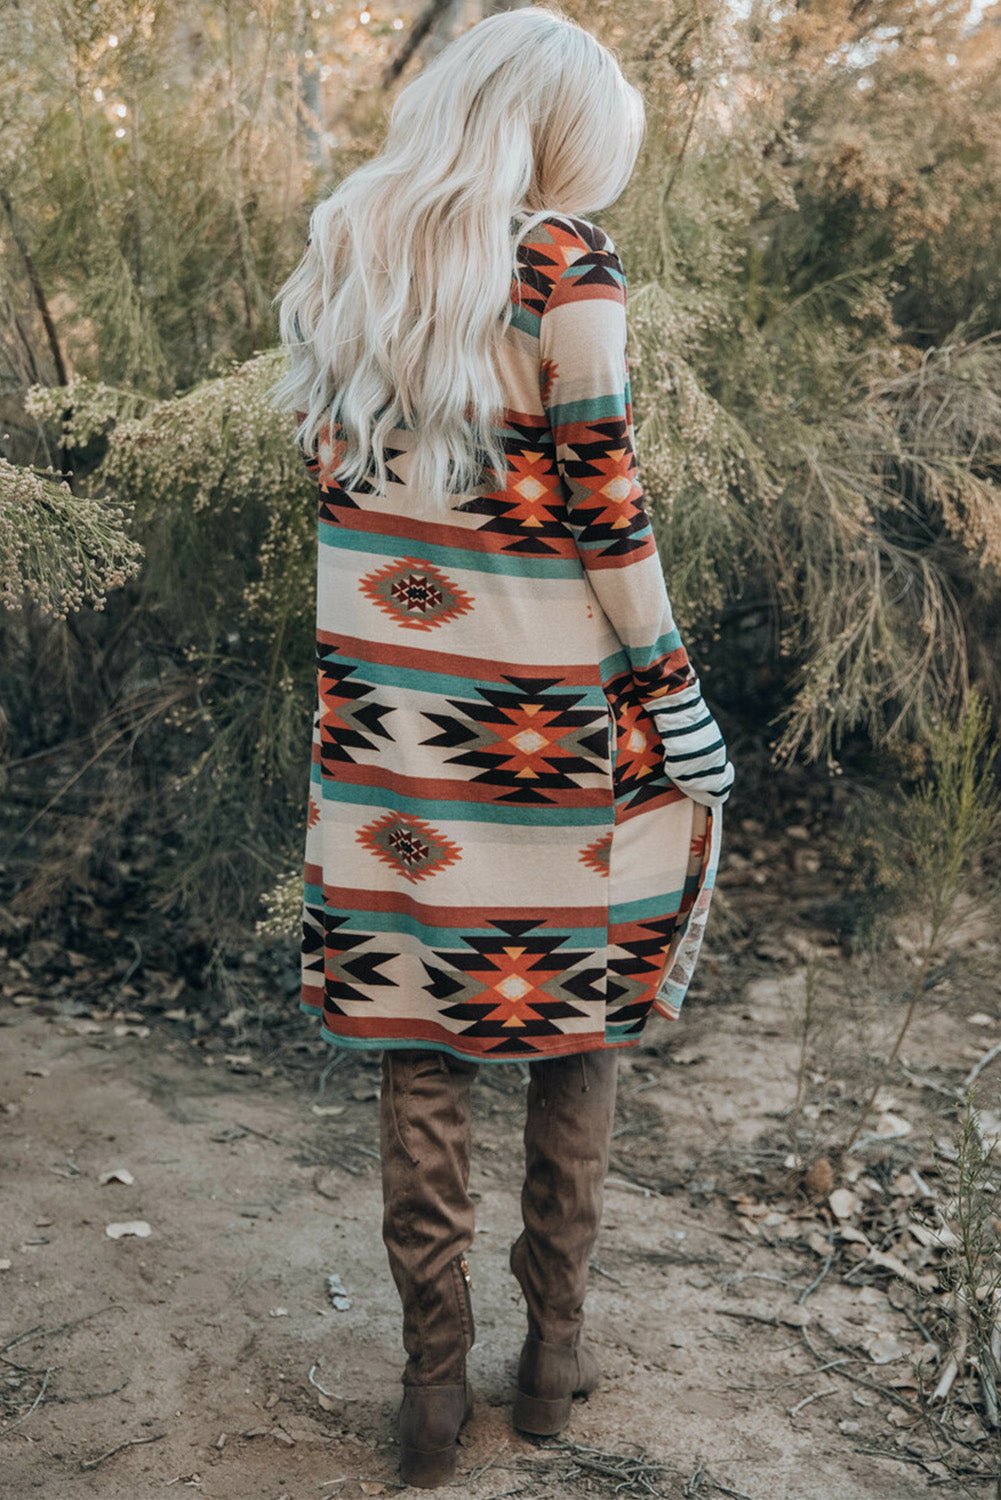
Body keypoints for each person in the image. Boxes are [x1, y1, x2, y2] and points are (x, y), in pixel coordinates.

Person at [271, 5, 734, 1487]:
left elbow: (341, 478)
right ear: (556, 128)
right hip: (547, 727)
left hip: (393, 722)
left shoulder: (349, 248)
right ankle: (550, 1357)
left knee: (424, 1020)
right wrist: (673, 689)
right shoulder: (562, 265)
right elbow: (606, 499)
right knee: (568, 1007)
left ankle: (428, 1388)